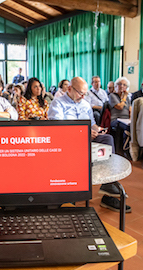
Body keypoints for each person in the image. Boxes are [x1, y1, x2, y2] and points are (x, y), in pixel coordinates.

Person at [48, 77, 131, 213]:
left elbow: (92, 123)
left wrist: (97, 129)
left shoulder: (85, 104)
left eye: (85, 93)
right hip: (68, 140)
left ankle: (108, 186)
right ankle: (69, 196)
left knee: (108, 139)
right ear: (69, 89)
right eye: (80, 93)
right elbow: (57, 128)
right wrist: (83, 132)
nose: (83, 96)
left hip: (85, 137)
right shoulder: (58, 103)